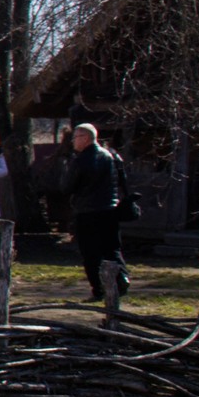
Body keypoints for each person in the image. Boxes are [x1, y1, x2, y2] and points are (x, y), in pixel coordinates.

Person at [61, 122, 130, 302]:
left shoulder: (82, 160)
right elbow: (122, 180)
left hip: (88, 211)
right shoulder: (111, 156)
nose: (73, 142)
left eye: (75, 137)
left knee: (90, 252)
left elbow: (67, 186)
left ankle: (98, 289)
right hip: (110, 209)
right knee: (112, 247)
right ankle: (122, 277)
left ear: (85, 138)